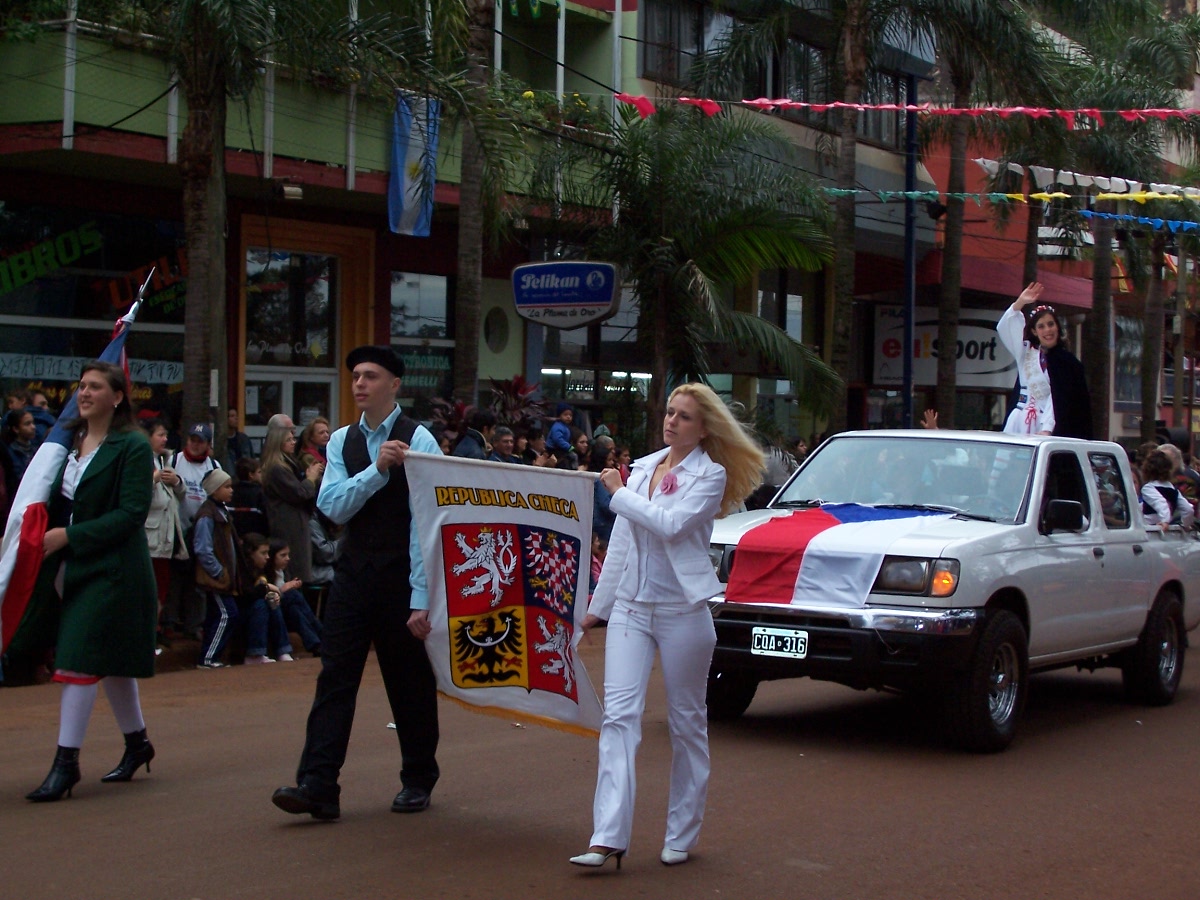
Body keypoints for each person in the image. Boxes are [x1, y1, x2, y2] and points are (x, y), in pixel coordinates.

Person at [570, 383, 765, 869]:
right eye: (670, 412)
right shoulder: (641, 470)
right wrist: (598, 606)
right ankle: (607, 837)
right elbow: (622, 545)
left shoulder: (710, 475)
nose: (672, 421)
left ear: (704, 429)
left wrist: (615, 493)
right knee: (618, 718)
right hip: (632, 610)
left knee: (686, 723)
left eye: (684, 416)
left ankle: (681, 831)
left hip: (683, 610)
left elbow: (670, 524)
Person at [272, 345, 442, 821]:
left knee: (407, 680)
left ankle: (417, 777)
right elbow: (333, 507)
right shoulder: (343, 440)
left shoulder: (421, 439)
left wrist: (422, 597)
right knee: (335, 677)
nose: (360, 384)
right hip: (353, 572)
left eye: (370, 376)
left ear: (395, 385)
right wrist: (377, 469)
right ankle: (318, 784)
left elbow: (425, 522)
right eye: (355, 377)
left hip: (402, 580)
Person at [21, 361, 159, 802]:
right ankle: (138, 745)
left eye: (95, 387)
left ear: (117, 398)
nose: (84, 393)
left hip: (115, 569)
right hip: (74, 566)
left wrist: (69, 536)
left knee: (77, 658)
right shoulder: (68, 443)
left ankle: (66, 764)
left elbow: (131, 515)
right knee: (111, 661)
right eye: (81, 386)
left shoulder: (133, 447)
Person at [997, 282, 1093, 438]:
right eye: (1041, 326)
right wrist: (1020, 303)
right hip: (1019, 421)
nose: (1047, 330)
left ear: (1057, 327)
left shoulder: (1068, 363)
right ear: (1034, 331)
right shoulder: (1025, 351)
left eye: (1050, 324)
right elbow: (1004, 328)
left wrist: (1047, 428)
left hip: (1047, 423)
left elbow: (1058, 399)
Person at [165, 423, 222, 638]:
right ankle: (170, 621)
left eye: (200, 441)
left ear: (208, 444)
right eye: (192, 440)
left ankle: (194, 624)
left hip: (202, 530)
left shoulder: (214, 465)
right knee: (175, 579)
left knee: (197, 580)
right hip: (178, 528)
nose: (195, 445)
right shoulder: (174, 460)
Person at [261, 421, 323, 586]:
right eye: (289, 439)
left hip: (295, 523)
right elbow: (299, 493)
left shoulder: (288, 464)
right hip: (288, 526)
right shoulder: (277, 468)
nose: (294, 442)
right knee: (293, 573)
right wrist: (311, 478)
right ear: (279, 442)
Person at [193, 468, 243, 668]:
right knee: (227, 613)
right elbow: (202, 548)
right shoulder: (207, 514)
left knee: (218, 614)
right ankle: (208, 657)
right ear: (214, 490)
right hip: (216, 576)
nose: (231, 491)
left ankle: (211, 656)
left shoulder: (220, 510)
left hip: (224, 574)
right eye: (226, 487)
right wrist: (218, 571)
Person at [142, 419, 186, 627]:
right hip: (148, 536)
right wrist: (154, 478)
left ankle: (156, 630)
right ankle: (147, 632)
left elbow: (181, 494)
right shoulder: (140, 460)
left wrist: (176, 481)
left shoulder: (166, 459)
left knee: (162, 587)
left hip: (167, 535)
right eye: (160, 435)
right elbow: (136, 493)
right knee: (148, 589)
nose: (165, 439)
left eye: (166, 435)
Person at [267, 537, 323, 657]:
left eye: (288, 555)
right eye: (283, 555)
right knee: (293, 595)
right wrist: (283, 589)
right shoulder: (265, 574)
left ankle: (316, 645)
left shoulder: (283, 572)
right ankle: (322, 633)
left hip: (288, 612)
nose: (288, 558)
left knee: (295, 611)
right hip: (273, 610)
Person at [1140, 449, 1195, 530]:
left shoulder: (1148, 488)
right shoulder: (1173, 490)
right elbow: (1188, 509)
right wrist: (1186, 524)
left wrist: (1165, 521)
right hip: (1168, 529)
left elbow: (1160, 502)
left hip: (1150, 528)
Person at [230, 456, 270, 537]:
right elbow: (267, 518)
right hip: (257, 537)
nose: (262, 475)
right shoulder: (260, 493)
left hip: (236, 537)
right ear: (251, 475)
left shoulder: (231, 491)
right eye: (259, 472)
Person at [589, 444, 617, 541]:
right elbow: (606, 504)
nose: (612, 463)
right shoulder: (600, 480)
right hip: (603, 525)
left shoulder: (591, 477)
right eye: (609, 460)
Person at [3, 408, 37, 484]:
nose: (33, 427)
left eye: (33, 423)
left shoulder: (36, 449)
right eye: (27, 424)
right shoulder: (9, 453)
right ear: (16, 429)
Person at [225, 408, 255, 474]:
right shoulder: (222, 441)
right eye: (232, 416)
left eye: (236, 416)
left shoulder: (244, 439)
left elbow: (251, 458)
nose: (236, 418)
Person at [547, 402, 575, 468]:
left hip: (560, 448)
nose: (568, 417)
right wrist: (568, 447)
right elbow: (557, 439)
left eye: (570, 415)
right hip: (553, 449)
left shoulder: (564, 427)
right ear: (559, 415)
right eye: (565, 414)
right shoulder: (557, 426)